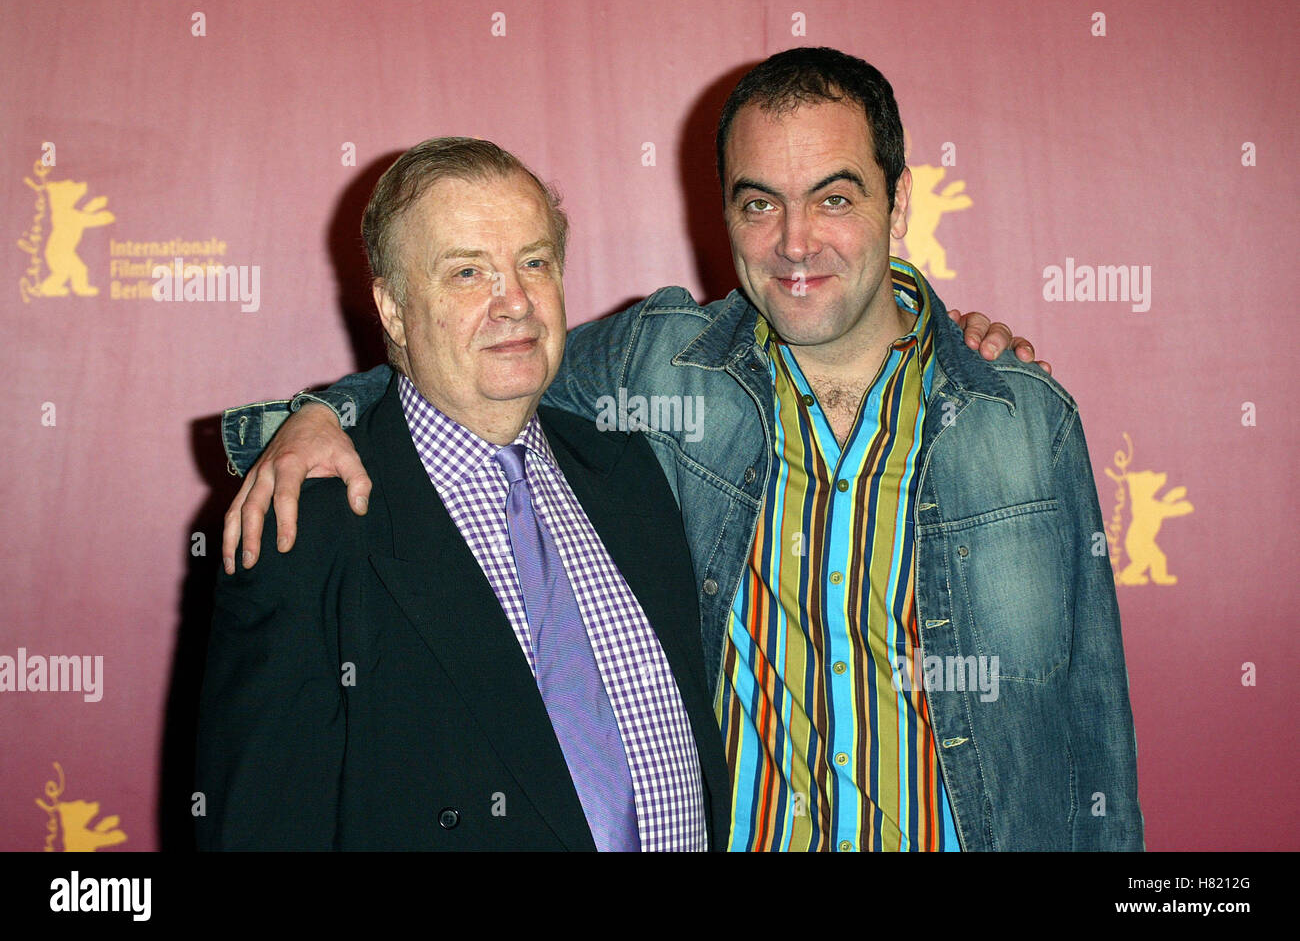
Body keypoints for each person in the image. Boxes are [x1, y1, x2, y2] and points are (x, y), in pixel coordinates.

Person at [219, 47, 1143, 851]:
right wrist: (319, 412)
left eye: (834, 197)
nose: (794, 242)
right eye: (758, 203)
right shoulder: (662, 368)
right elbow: (484, 364)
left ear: (898, 204)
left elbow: (1095, 738)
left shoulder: (1024, 420)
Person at [195, 138, 731, 851]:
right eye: (467, 272)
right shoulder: (309, 524)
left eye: (534, 263)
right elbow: (260, 828)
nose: (513, 302)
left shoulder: (628, 473)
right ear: (391, 307)